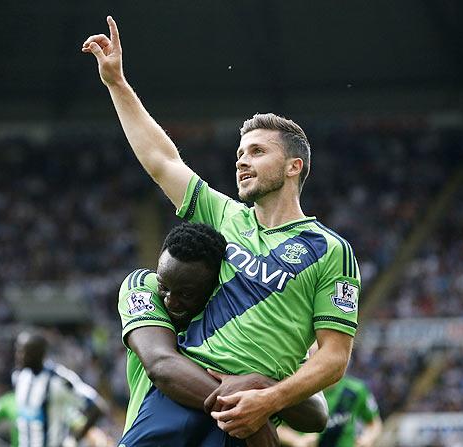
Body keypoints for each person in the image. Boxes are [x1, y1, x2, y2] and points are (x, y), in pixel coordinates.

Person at [82, 16, 361, 439]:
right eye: (239, 152)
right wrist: (117, 83)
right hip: (182, 393)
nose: (241, 160)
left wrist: (270, 401)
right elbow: (163, 162)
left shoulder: (330, 250)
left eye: (257, 151)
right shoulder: (223, 216)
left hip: (248, 414)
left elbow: (333, 359)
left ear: (293, 166)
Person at [119, 222, 328, 447]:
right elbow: (161, 365)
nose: (170, 300)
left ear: (214, 286)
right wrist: (245, 414)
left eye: (186, 293)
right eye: (164, 286)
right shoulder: (144, 286)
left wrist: (263, 389)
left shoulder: (262, 332)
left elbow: (317, 415)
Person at [277, 375, 382, 447]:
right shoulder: (295, 388)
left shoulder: (356, 390)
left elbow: (374, 423)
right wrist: (296, 440)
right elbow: (273, 425)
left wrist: (367, 439)